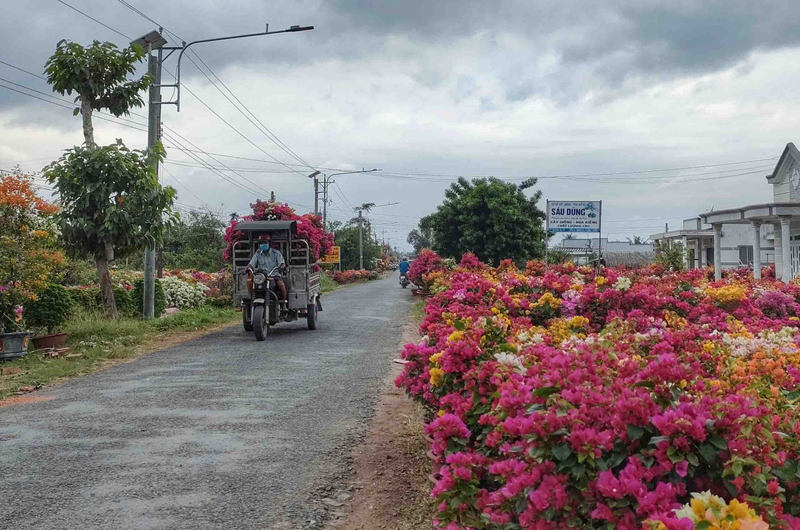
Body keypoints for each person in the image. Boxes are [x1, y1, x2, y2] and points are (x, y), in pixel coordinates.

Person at [246, 233, 288, 303]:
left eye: (264, 242)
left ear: (269, 243)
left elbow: (282, 263)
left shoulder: (276, 253)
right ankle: (252, 299)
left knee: (281, 284)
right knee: (250, 280)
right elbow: (251, 264)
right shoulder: (258, 253)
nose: (262, 244)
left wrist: (282, 267)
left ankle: (283, 302)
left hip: (274, 275)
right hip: (261, 276)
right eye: (261, 243)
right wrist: (248, 268)